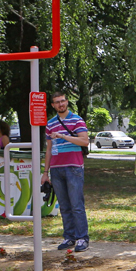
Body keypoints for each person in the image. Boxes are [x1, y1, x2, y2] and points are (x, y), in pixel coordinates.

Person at [40, 92, 90, 252]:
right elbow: (48, 149)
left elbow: (84, 140)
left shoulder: (77, 120)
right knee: (64, 206)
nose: (61, 104)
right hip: (56, 168)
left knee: (76, 205)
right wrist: (45, 172)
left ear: (67, 102)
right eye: (57, 102)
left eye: (62, 101)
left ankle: (82, 238)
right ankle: (69, 237)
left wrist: (63, 136)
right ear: (53, 105)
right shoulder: (50, 124)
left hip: (74, 167)